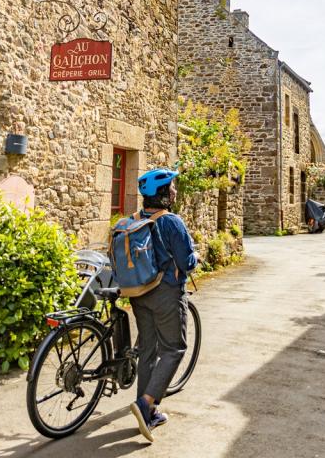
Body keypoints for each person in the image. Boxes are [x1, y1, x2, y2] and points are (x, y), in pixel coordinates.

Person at [129, 168, 198, 443]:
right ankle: (146, 403)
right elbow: (185, 262)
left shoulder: (134, 219)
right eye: (171, 187)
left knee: (147, 349)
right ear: (163, 193)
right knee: (174, 348)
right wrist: (196, 259)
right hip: (166, 293)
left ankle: (145, 410)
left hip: (139, 293)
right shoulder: (172, 222)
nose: (175, 190)